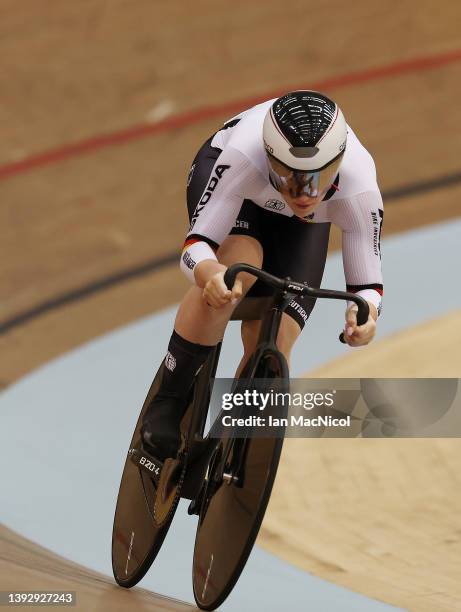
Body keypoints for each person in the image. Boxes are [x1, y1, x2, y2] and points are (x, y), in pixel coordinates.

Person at [141, 90, 384, 458]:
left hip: (301, 225)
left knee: (278, 337)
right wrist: (210, 275)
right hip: (241, 197)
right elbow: (195, 248)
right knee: (239, 269)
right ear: (270, 157)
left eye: (318, 177)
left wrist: (363, 316)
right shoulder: (243, 156)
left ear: (340, 162)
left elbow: (367, 286)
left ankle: (229, 440)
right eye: (291, 176)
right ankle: (169, 399)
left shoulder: (359, 186)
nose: (304, 193)